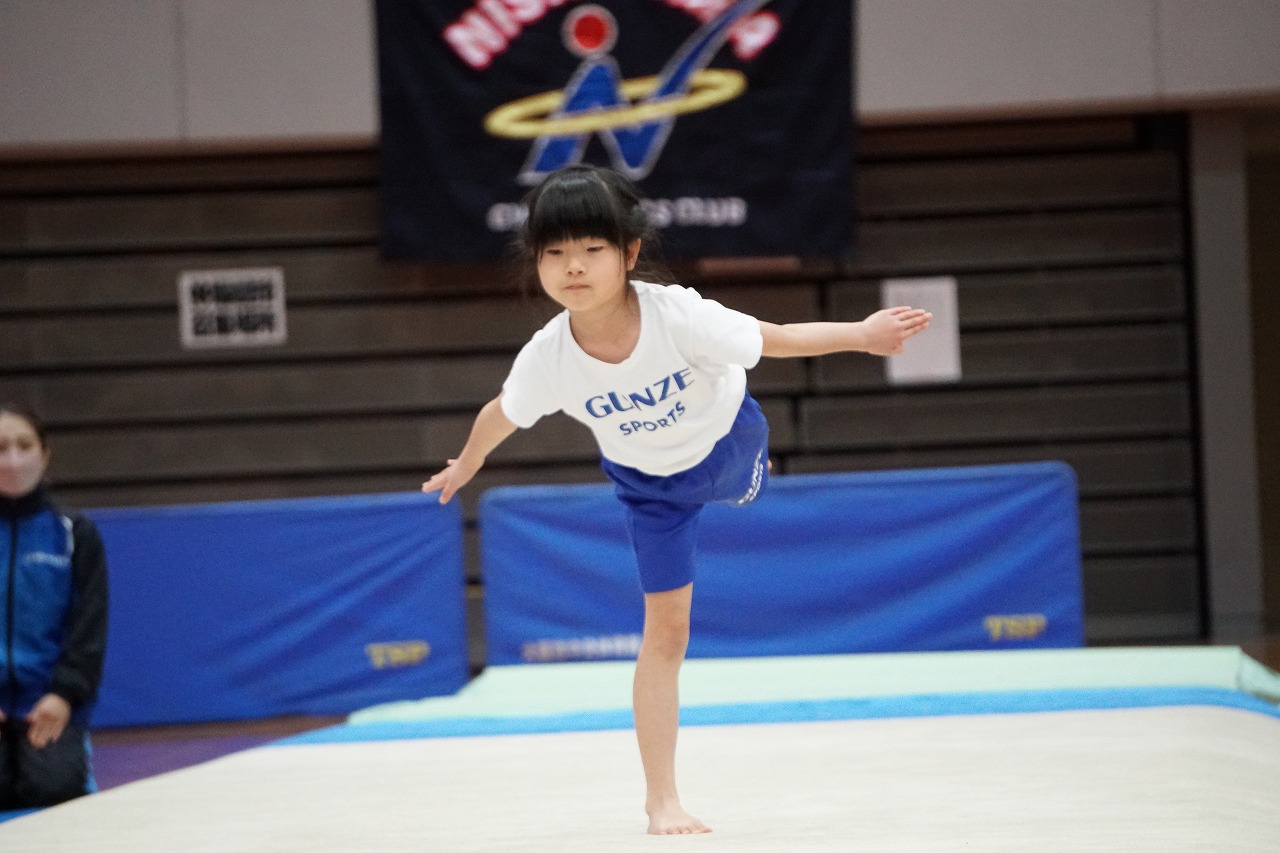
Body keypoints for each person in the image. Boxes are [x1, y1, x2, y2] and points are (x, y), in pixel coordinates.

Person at [422, 165, 931, 835]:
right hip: (649, 489)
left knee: (745, 491)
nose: (573, 266)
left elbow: (774, 337)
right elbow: (501, 413)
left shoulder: (679, 315)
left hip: (727, 445)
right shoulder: (547, 358)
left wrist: (862, 335)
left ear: (630, 253)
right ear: (535, 262)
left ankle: (754, 472)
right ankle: (661, 799)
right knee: (666, 634)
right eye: (555, 252)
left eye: (592, 248)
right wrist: (467, 461)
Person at [0, 404, 108, 809]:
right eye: (0, 448)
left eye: (24, 446)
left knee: (53, 789)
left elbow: (89, 626)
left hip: (47, 703)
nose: (13, 460)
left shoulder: (74, 532)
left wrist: (63, 695)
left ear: (44, 456)